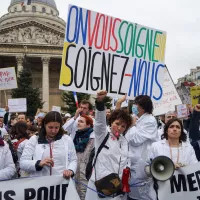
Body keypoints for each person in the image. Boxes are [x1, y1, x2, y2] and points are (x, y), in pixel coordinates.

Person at [85, 90, 132, 200]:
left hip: (116, 188)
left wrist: (126, 177)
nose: (119, 128)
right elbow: (100, 122)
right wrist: (100, 102)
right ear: (111, 122)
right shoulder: (102, 135)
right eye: (117, 124)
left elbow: (125, 161)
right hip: (98, 186)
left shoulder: (124, 142)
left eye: (123, 126)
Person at [20, 111, 77, 178]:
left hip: (61, 183)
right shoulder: (34, 139)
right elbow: (23, 163)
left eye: (56, 127)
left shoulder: (67, 139)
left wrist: (70, 170)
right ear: (44, 125)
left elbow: (73, 160)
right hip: (40, 184)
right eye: (50, 127)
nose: (53, 131)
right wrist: (38, 163)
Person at [125, 95, 158, 200]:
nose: (134, 106)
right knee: (131, 193)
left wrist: (133, 125)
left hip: (141, 162)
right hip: (131, 161)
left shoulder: (150, 120)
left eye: (136, 104)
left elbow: (135, 140)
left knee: (142, 195)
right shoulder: (136, 118)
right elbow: (126, 138)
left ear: (142, 107)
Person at [74, 114, 94, 200]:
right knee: (75, 190)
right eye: (78, 121)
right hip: (76, 168)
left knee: (84, 191)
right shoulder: (76, 136)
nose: (78, 123)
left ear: (88, 125)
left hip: (85, 169)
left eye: (81, 121)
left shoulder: (92, 137)